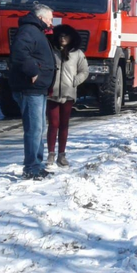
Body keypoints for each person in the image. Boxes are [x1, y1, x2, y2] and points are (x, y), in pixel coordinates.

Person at [9, 4, 56, 180]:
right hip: (29, 88)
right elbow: (19, 53)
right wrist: (33, 71)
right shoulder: (28, 30)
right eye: (50, 19)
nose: (51, 23)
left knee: (40, 128)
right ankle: (31, 168)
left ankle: (37, 164)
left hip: (38, 89)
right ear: (41, 17)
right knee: (34, 129)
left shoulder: (36, 31)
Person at [46, 24, 88, 167]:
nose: (62, 38)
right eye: (60, 35)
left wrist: (74, 82)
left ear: (72, 37)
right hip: (52, 93)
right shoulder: (51, 51)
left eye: (66, 36)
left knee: (64, 125)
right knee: (53, 124)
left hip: (68, 94)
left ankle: (61, 155)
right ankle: (51, 154)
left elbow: (84, 71)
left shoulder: (77, 53)